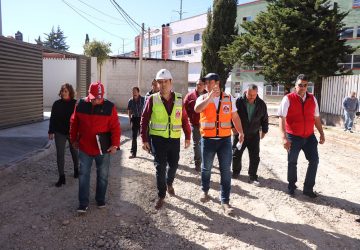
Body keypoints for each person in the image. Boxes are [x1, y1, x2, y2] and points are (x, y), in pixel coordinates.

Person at [140, 69, 191, 210]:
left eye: (165, 82)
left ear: (171, 82)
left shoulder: (180, 99)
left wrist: (188, 135)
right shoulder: (152, 99)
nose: (162, 85)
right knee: (160, 167)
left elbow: (184, 119)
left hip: (174, 139)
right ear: (156, 84)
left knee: (173, 165)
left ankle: (169, 183)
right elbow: (144, 120)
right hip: (158, 139)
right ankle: (161, 195)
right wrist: (144, 139)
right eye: (160, 82)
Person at [194, 73, 244, 215]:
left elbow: (235, 116)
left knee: (225, 171)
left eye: (210, 83)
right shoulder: (202, 98)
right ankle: (205, 191)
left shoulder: (228, 98)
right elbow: (197, 109)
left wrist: (240, 132)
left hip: (224, 141)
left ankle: (225, 201)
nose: (207, 85)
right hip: (208, 140)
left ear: (217, 83)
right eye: (206, 83)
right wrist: (209, 97)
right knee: (206, 168)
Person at [70, 82, 120, 213]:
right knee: (83, 175)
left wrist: (115, 144)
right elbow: (74, 123)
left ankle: (100, 199)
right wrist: (73, 139)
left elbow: (115, 127)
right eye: (94, 98)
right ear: (88, 94)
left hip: (102, 149)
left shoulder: (110, 107)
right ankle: (83, 203)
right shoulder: (80, 105)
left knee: (103, 175)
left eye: (99, 98)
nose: (96, 101)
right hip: (85, 147)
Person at [278, 74, 325, 198]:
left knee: (314, 161)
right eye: (300, 85)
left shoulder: (312, 99)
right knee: (292, 161)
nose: (303, 87)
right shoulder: (288, 99)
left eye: (305, 85)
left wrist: (321, 133)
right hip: (293, 136)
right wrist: (284, 137)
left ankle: (308, 189)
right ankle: (292, 186)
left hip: (309, 137)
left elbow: (316, 118)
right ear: (295, 86)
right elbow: (281, 118)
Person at [232, 84, 268, 185]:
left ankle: (253, 176)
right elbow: (232, 115)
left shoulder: (261, 104)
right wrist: (233, 128)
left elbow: (265, 119)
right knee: (236, 154)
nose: (251, 97)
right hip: (240, 134)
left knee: (255, 157)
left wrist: (264, 131)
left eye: (254, 95)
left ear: (257, 94)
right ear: (245, 92)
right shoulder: (238, 102)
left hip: (254, 135)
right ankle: (235, 172)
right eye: (249, 94)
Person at [48, 83, 79, 187]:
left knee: (74, 152)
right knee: (60, 155)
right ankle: (61, 177)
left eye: (66, 91)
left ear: (70, 92)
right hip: (59, 132)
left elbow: (79, 119)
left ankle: (76, 169)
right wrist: (50, 131)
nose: (63, 93)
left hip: (72, 133)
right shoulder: (56, 104)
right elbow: (52, 118)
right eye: (62, 91)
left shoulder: (76, 104)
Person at [184, 79, 206, 172]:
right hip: (195, 124)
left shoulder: (208, 95)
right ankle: (198, 163)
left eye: (200, 84)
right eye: (197, 84)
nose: (199, 86)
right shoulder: (190, 96)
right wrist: (189, 118)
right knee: (197, 144)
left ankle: (206, 161)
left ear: (204, 86)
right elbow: (184, 108)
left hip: (207, 125)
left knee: (206, 144)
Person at [127, 87, 145, 159]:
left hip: (142, 119)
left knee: (144, 134)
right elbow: (129, 111)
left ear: (138, 92)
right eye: (133, 92)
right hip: (134, 119)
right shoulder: (130, 101)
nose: (134, 93)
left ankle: (149, 148)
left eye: (135, 91)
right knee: (134, 137)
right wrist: (130, 119)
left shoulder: (143, 99)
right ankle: (133, 153)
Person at [144, 79, 160, 154]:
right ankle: (150, 147)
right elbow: (145, 107)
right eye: (154, 84)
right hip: (148, 118)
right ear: (152, 85)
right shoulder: (148, 95)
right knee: (148, 134)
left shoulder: (161, 94)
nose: (155, 86)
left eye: (156, 84)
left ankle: (154, 149)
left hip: (157, 118)